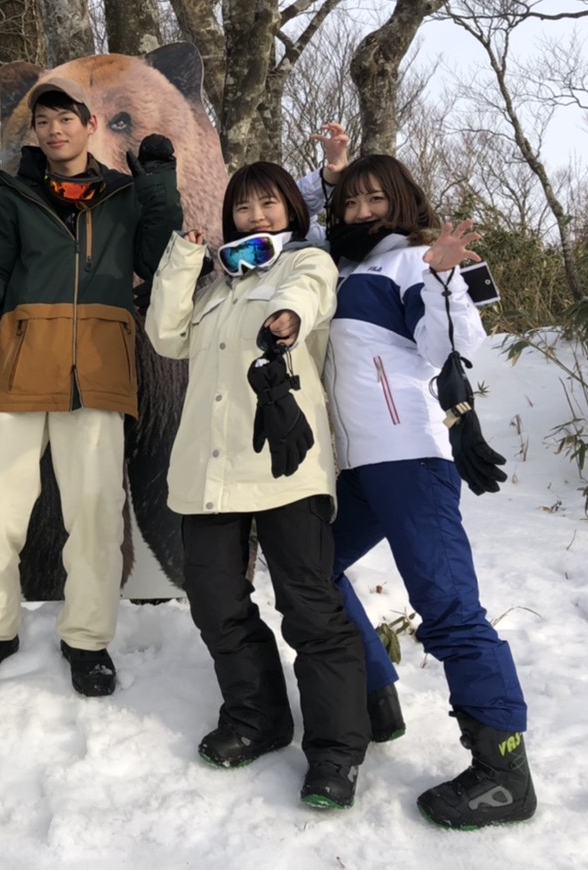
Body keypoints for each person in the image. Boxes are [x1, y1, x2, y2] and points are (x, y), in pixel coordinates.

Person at [296, 133, 537, 829]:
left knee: (449, 608)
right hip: (353, 466)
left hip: (410, 459)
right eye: (351, 201)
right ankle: (373, 692)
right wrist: (327, 175)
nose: (362, 210)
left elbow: (449, 347)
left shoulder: (413, 262)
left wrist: (442, 276)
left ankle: (504, 769)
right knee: (311, 569)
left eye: (376, 198)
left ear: (402, 202)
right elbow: (285, 219)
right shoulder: (337, 266)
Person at [0, 76, 183, 697]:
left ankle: (87, 639)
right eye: (44, 122)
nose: (54, 130)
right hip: (21, 366)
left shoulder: (124, 196)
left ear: (89, 125)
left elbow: (158, 259)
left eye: (66, 119)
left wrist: (160, 186)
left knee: (96, 513)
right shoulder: (12, 197)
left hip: (100, 369)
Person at [144, 161, 370, 809]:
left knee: (310, 610)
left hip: (283, 468)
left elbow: (308, 296)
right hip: (208, 471)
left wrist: (287, 319)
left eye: (268, 203)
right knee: (217, 603)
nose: (256, 216)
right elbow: (165, 336)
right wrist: (183, 261)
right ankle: (257, 717)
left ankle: (335, 752)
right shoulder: (216, 287)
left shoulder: (306, 263)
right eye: (243, 208)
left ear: (291, 210)